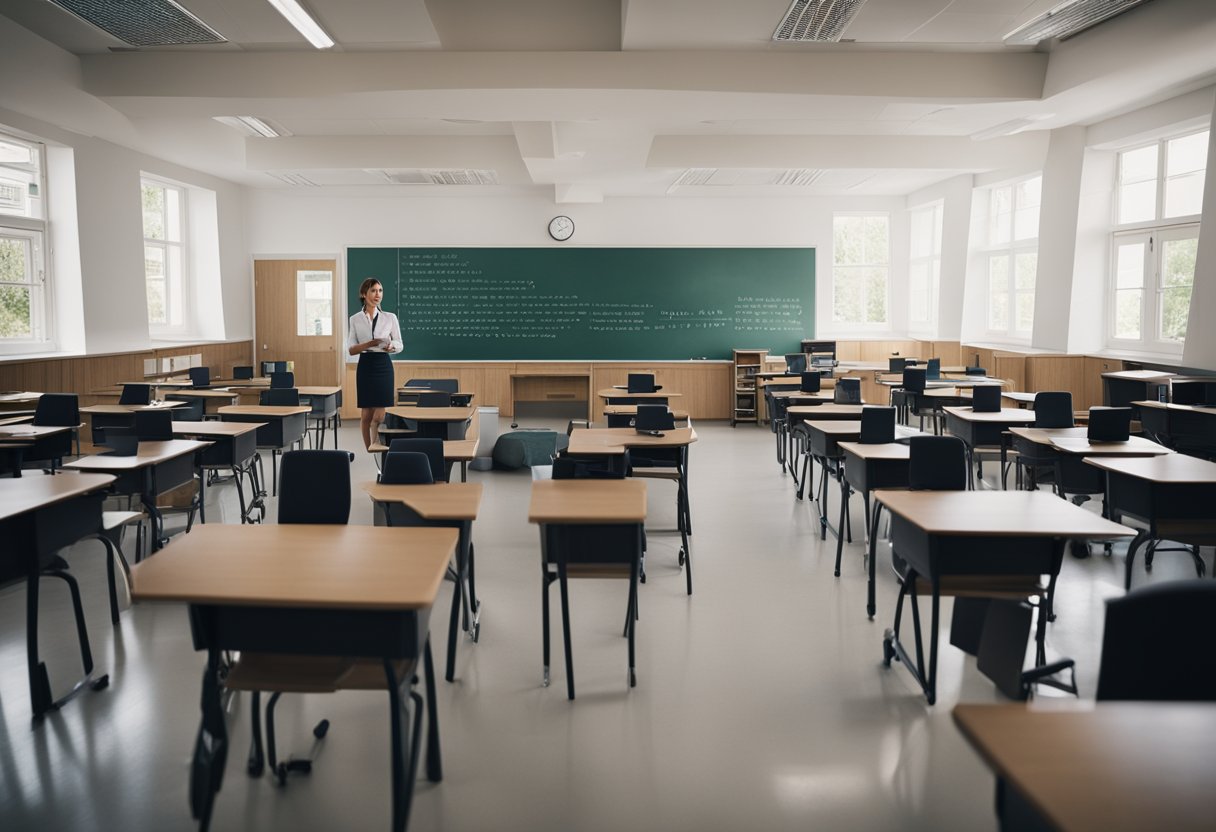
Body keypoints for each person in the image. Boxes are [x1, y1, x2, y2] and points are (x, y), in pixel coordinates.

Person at [347, 278, 402, 450]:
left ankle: (377, 444)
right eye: (373, 291)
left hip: (383, 364)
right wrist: (369, 344)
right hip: (366, 365)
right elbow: (351, 349)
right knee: (366, 415)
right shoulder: (355, 319)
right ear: (364, 294)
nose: (377, 294)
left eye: (380, 290)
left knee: (379, 415)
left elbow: (400, 343)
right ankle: (370, 449)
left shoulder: (390, 317)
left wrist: (391, 346)